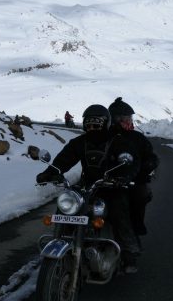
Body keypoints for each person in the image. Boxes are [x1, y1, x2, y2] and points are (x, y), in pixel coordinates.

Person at [36, 104, 143, 273]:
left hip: (112, 186)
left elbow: (131, 160)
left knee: (118, 211)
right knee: (66, 207)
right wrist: (50, 172)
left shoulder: (118, 141)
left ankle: (129, 254)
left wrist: (124, 176)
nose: (92, 128)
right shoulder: (80, 142)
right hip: (87, 186)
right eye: (88, 124)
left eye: (96, 124)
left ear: (105, 124)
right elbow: (64, 159)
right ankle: (63, 239)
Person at [107, 97, 159, 238]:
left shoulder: (137, 137)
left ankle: (134, 230)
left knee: (140, 195)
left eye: (130, 117)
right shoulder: (104, 136)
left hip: (132, 179)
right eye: (126, 118)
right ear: (116, 119)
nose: (130, 120)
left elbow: (151, 156)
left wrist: (146, 168)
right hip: (106, 179)